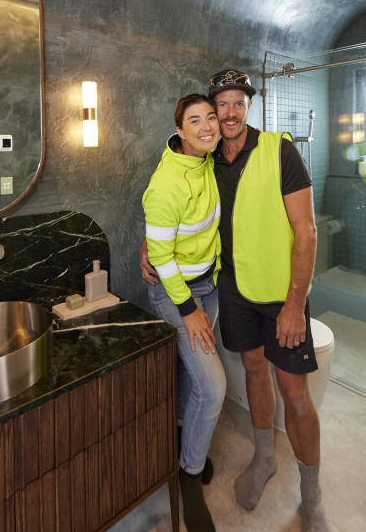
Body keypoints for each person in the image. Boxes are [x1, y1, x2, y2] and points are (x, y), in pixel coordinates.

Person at [141, 70, 328, 532]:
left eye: (235, 104)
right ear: (198, 120)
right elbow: (173, 201)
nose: (226, 114)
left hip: (280, 295)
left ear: (248, 106)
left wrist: (294, 303)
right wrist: (149, 245)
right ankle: (263, 457)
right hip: (232, 290)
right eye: (218, 105)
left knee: (297, 395)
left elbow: (306, 232)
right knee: (253, 370)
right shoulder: (208, 159)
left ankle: (312, 494)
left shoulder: (279, 150)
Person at [141, 93, 226, 532]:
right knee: (212, 388)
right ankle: (188, 476)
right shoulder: (167, 182)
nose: (208, 125)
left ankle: (179, 438)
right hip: (177, 296)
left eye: (210, 116)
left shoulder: (205, 161)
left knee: (191, 375)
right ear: (180, 131)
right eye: (196, 120)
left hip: (208, 286)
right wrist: (189, 309)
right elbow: (162, 255)